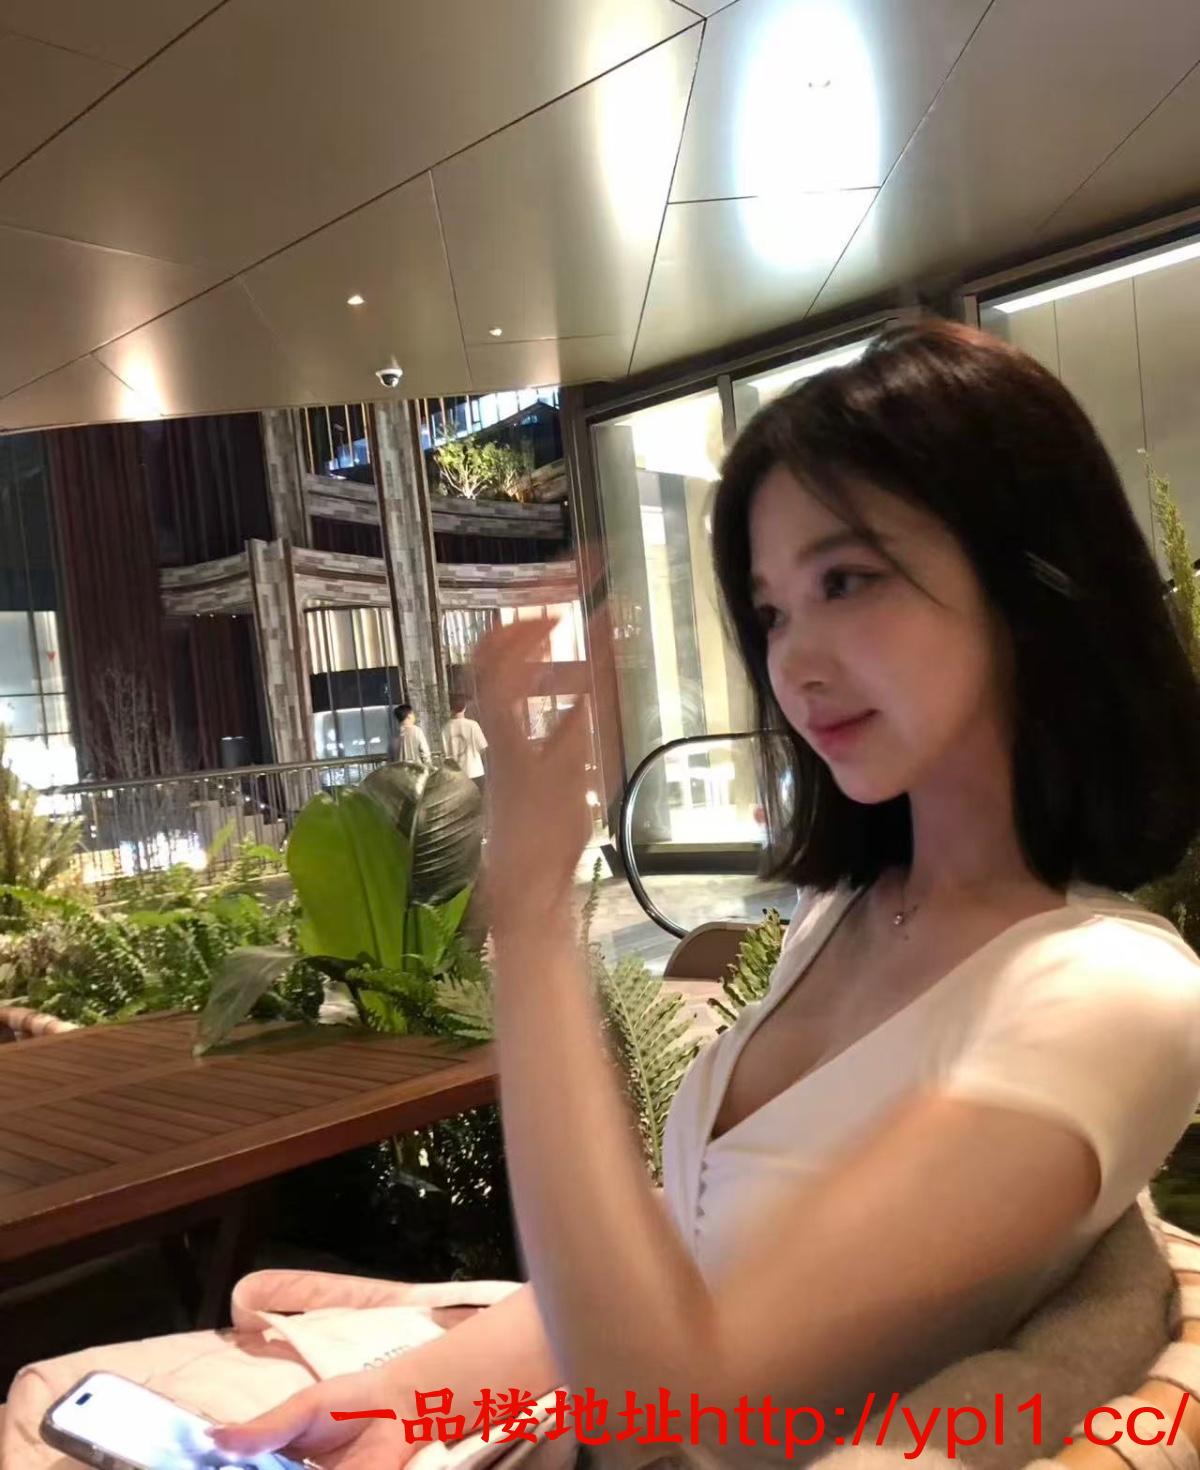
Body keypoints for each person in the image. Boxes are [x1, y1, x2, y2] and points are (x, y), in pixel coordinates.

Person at [21, 321, 1200, 1470]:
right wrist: (402, 1399)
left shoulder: (1113, 993)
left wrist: (534, 918)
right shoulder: (847, 914)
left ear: (1028, 580)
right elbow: (679, 1246)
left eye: (847, 579)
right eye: (772, 610)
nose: (792, 660)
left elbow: (682, 1403)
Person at [442, 699, 488, 792]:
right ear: (465, 708)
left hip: (456, 775)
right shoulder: (473, 725)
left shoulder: (445, 728)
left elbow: (445, 755)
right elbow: (482, 747)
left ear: (451, 709)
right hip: (475, 771)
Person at [388, 703, 431, 768]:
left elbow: (390, 759)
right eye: (413, 714)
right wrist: (429, 767)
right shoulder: (417, 731)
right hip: (416, 771)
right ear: (409, 715)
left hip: (398, 772)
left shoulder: (393, 736)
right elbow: (425, 754)